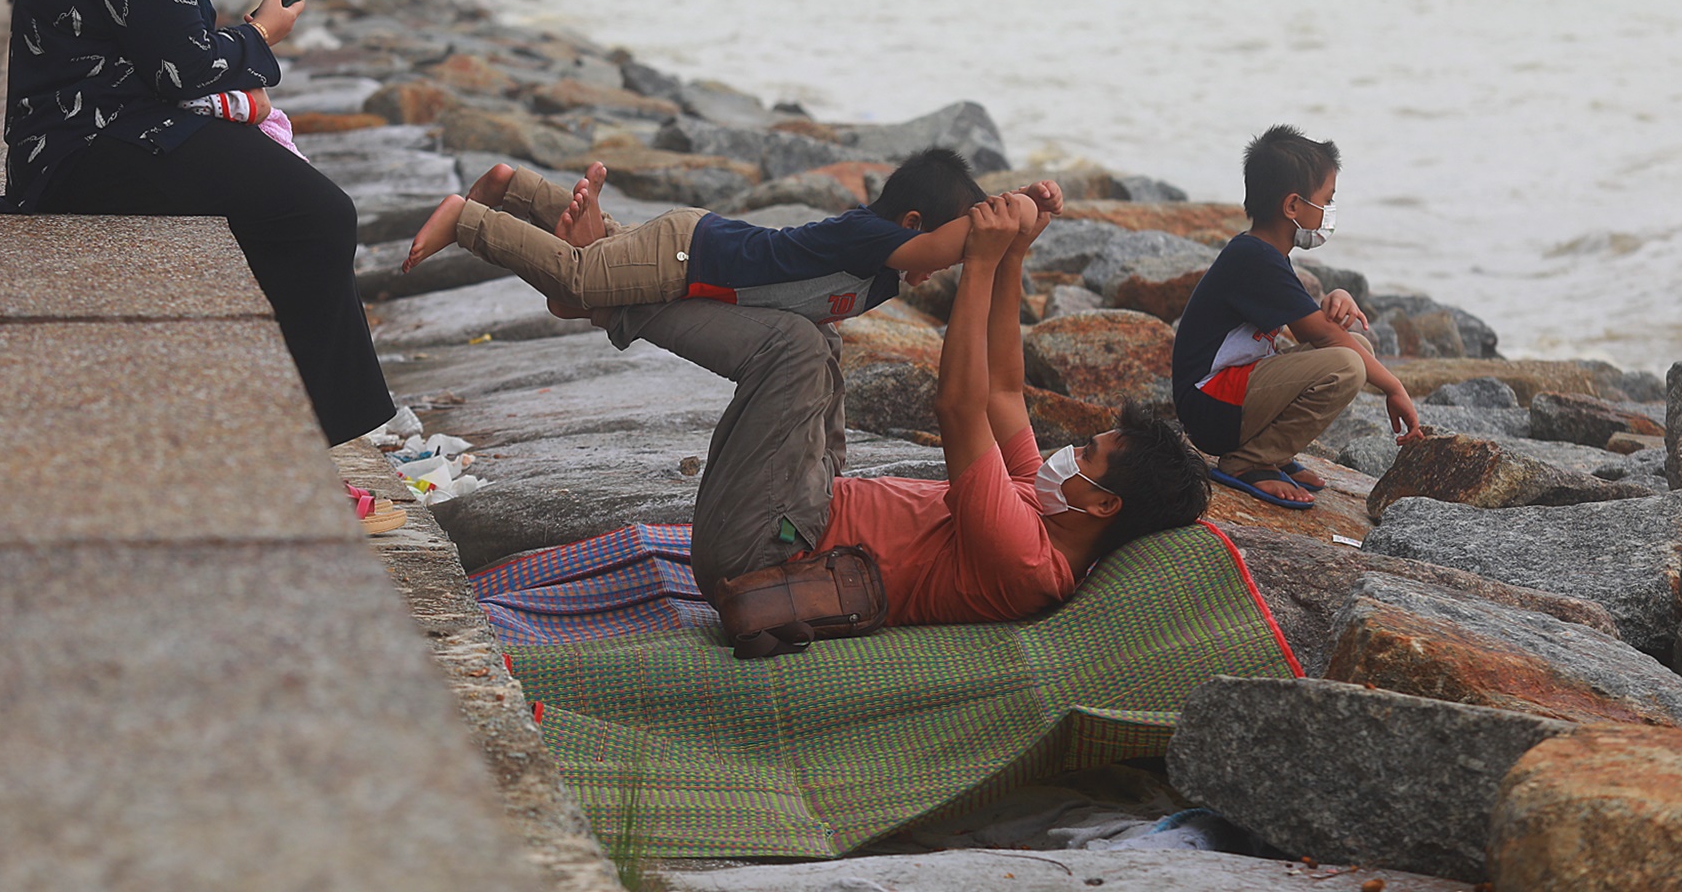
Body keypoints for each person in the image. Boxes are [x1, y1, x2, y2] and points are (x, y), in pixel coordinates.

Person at [478, 167, 1212, 618]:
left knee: (794, 349)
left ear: (1103, 503)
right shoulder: (1046, 509)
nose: (1065, 453)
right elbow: (1004, 389)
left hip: (764, 551)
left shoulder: (1026, 556)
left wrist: (979, 264)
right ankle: (612, 272)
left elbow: (959, 408)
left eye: (1086, 450)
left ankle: (607, 296)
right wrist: (1016, 252)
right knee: (819, 326)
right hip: (808, 502)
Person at [0, 0, 395, 447]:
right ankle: (311, 439)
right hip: (85, 147)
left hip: (107, 128)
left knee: (299, 210)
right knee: (319, 214)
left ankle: (286, 416)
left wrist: (236, 44)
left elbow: (170, 50)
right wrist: (262, 35)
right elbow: (184, 68)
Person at [404, 148, 1054, 326]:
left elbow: (963, 251)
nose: (940, 267)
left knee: (584, 290)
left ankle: (515, 185)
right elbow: (959, 248)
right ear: (912, 225)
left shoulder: (879, 258)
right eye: (943, 250)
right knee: (577, 281)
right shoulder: (868, 236)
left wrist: (1030, 224)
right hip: (689, 257)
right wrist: (1022, 204)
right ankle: (470, 218)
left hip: (693, 246)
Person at [1171, 124, 1423, 510]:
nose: (1329, 211)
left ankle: (1270, 451)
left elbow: (1309, 321)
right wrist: (1394, 387)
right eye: (1326, 199)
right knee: (1347, 364)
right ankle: (1249, 460)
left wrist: (1335, 298)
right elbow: (1321, 337)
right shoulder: (1253, 258)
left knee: (1357, 346)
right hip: (1211, 404)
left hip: (1226, 398)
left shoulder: (1264, 254)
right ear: (1292, 206)